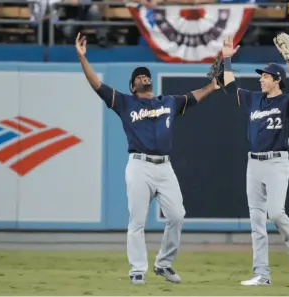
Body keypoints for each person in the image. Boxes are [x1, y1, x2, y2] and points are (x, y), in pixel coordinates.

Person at [74, 32, 219, 284]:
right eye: (139, 76)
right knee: (137, 220)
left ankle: (163, 264)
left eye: (146, 75)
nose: (144, 77)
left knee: (177, 215)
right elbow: (96, 84)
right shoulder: (124, 102)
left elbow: (193, 97)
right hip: (139, 166)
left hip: (165, 167)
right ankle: (137, 269)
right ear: (133, 86)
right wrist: (82, 58)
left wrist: (213, 86)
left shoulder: (169, 102)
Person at [221, 35, 289, 286]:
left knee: (276, 213)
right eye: (261, 76)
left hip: (276, 162)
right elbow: (230, 85)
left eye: (265, 76)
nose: (261, 78)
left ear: (276, 79)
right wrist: (226, 57)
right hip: (254, 164)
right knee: (256, 220)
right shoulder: (253, 99)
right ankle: (262, 274)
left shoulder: (284, 101)